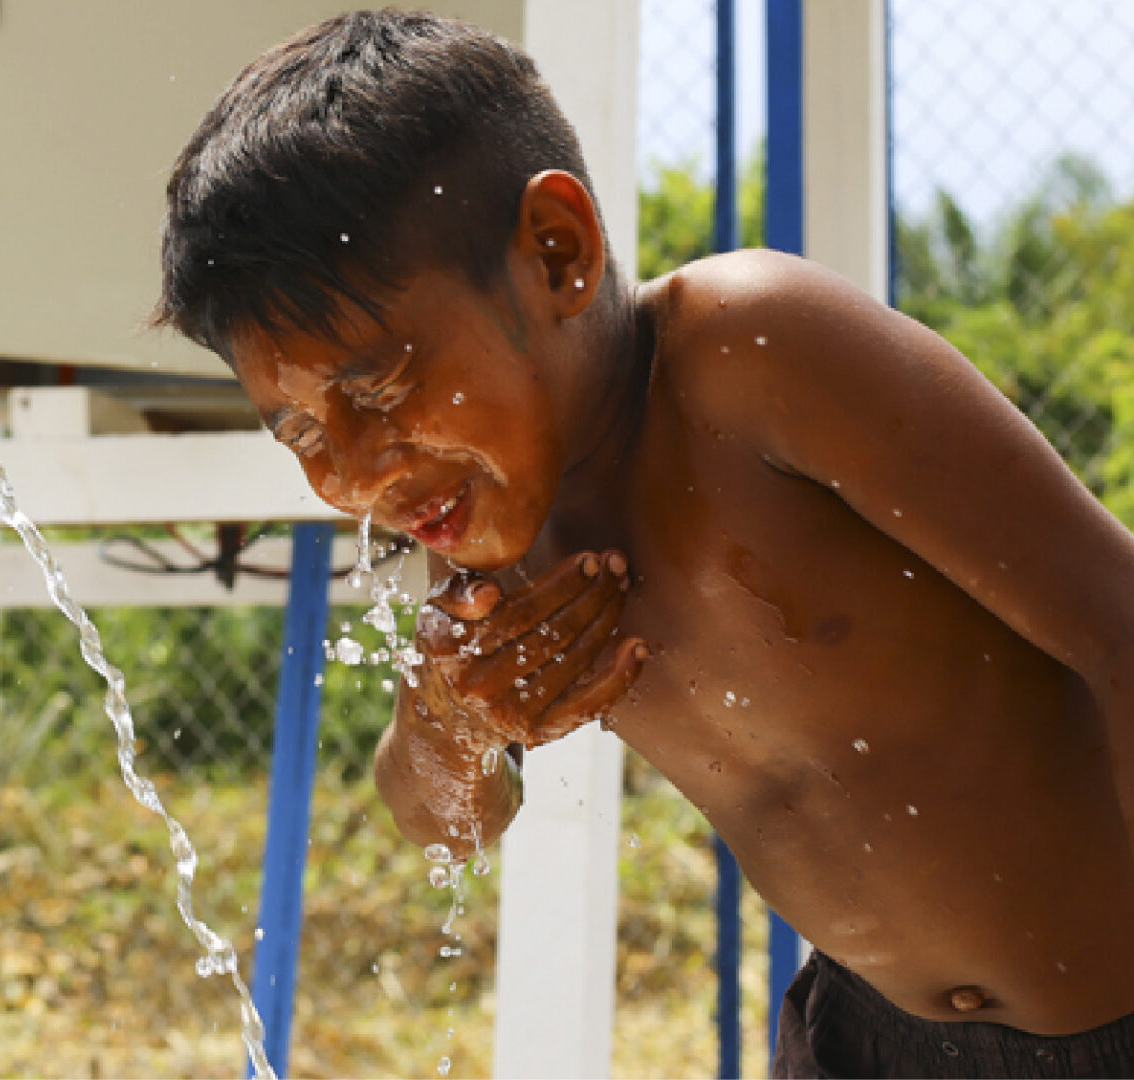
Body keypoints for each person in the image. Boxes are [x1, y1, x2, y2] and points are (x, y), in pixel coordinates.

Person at [154, 10, 1134, 1077]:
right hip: (864, 1039)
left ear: (555, 253)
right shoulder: (485, 530)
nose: (352, 473)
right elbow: (443, 826)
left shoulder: (755, 358)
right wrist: (451, 720)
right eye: (298, 428)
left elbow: (1118, 628)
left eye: (376, 383)